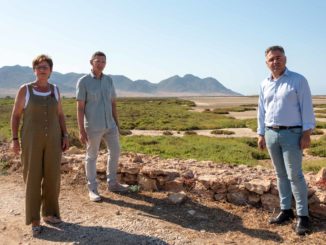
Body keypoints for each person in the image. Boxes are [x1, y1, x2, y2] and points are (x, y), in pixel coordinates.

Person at [257, 46, 315, 235]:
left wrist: (307, 133)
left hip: (292, 134)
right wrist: (261, 133)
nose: (275, 61)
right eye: (271, 59)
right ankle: (285, 211)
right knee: (280, 174)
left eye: (278, 58)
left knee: (295, 175)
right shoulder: (264, 83)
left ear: (285, 59)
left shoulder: (298, 80)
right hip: (271, 133)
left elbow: (306, 107)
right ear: (266, 63)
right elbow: (261, 111)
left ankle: (303, 216)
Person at [11, 54, 69, 236]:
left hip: (53, 139)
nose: (42, 70)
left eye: (46, 67)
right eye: (39, 67)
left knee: (53, 177)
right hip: (31, 140)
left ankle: (50, 213)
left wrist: (65, 134)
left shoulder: (56, 90)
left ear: (50, 71)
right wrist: (14, 139)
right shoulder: (25, 90)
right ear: (34, 70)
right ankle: (34, 219)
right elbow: (15, 115)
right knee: (33, 178)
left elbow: (60, 114)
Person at [76, 51, 128, 202]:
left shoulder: (109, 80)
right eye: (98, 61)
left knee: (116, 151)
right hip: (93, 126)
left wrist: (117, 125)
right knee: (92, 156)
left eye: (103, 62)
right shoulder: (83, 81)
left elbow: (113, 103)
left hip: (110, 125)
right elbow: (79, 107)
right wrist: (81, 130)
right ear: (91, 62)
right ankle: (92, 189)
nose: (101, 64)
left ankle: (112, 183)